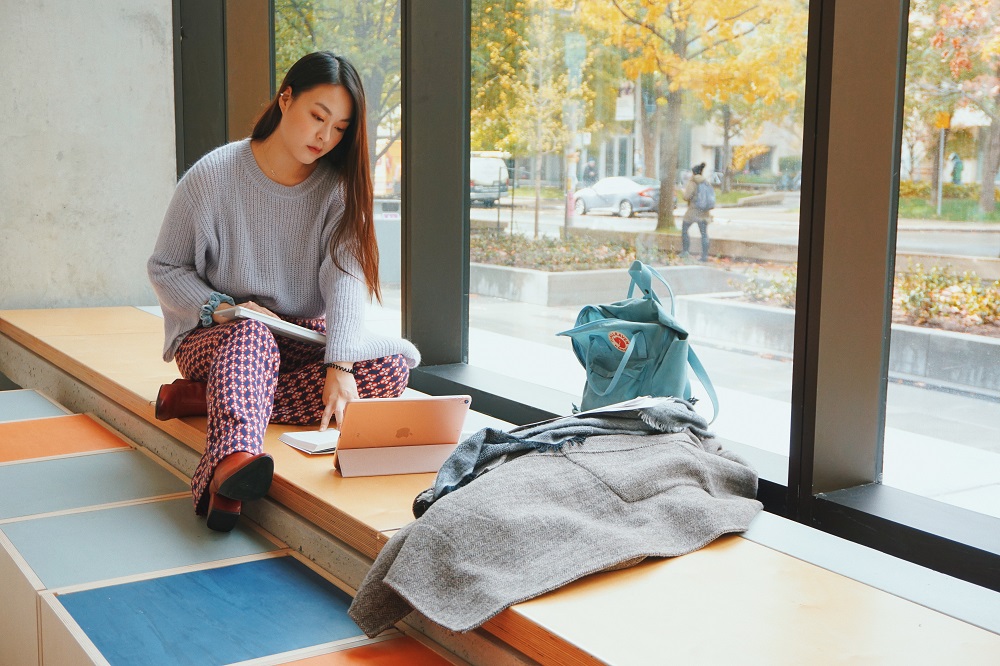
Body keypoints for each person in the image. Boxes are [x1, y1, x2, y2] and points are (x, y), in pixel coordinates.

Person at [147, 51, 419, 532]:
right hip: (220, 336)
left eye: (339, 128)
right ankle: (232, 462)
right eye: (318, 117)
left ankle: (207, 399)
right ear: (285, 98)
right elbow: (165, 267)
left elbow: (345, 278)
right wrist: (221, 309)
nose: (325, 136)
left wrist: (340, 363)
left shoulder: (336, 189)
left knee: (387, 368)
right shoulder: (213, 177)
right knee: (252, 339)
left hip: (294, 334)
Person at [681, 162, 713, 262]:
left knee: (684, 230)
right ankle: (704, 256)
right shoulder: (706, 182)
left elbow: (687, 197)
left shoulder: (693, 182)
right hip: (705, 212)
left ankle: (685, 251)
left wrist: (683, 192)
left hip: (693, 211)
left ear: (693, 173)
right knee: (704, 234)